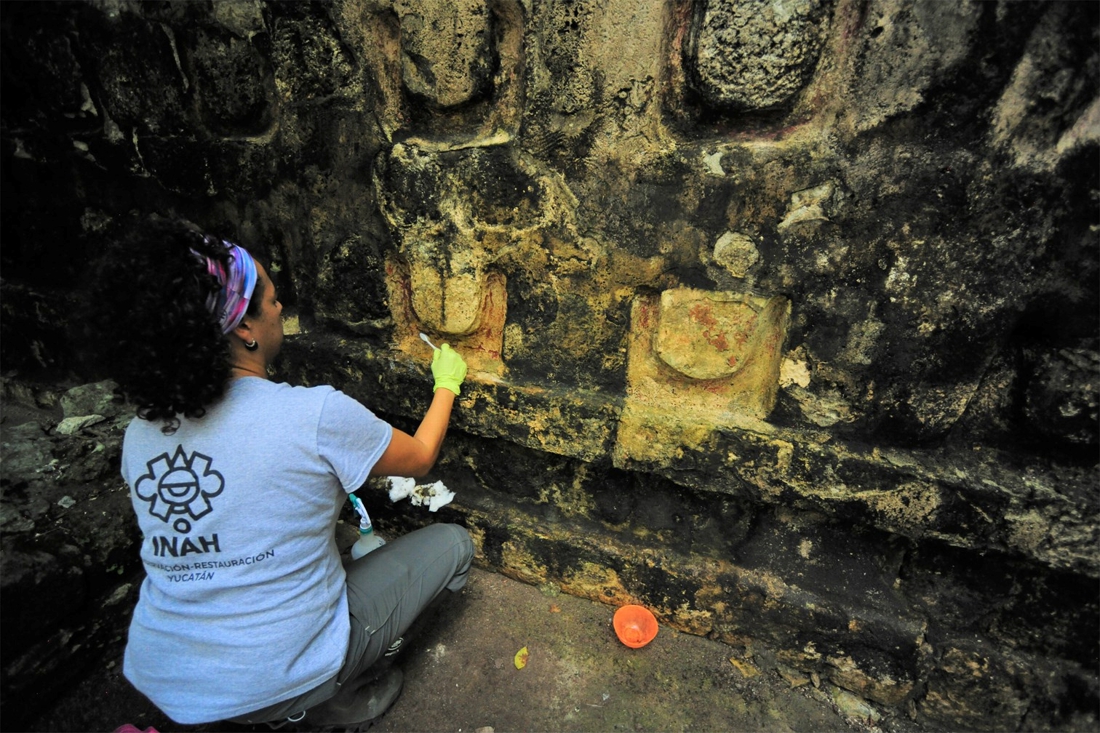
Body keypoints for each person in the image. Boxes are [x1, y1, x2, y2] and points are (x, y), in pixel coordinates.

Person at [84, 215, 474, 730]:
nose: (280, 306)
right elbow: (421, 457)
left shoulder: (141, 433)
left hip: (170, 680)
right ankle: (335, 699)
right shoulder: (312, 416)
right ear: (245, 328)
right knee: (452, 545)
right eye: (270, 298)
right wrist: (446, 384)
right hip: (277, 674)